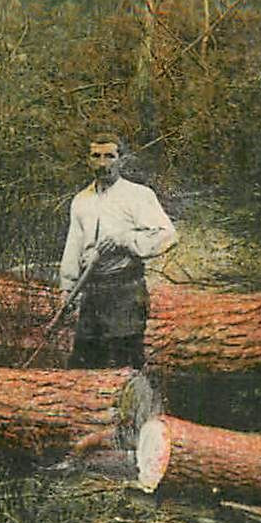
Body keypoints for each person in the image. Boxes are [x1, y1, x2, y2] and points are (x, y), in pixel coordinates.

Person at [59, 132, 177, 369]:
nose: (103, 163)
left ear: (121, 159)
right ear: (87, 160)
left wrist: (126, 240)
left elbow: (167, 235)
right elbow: (73, 248)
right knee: (84, 366)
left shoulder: (138, 196)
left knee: (126, 364)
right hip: (92, 290)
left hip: (125, 290)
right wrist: (67, 289)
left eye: (110, 156)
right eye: (96, 156)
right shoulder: (81, 200)